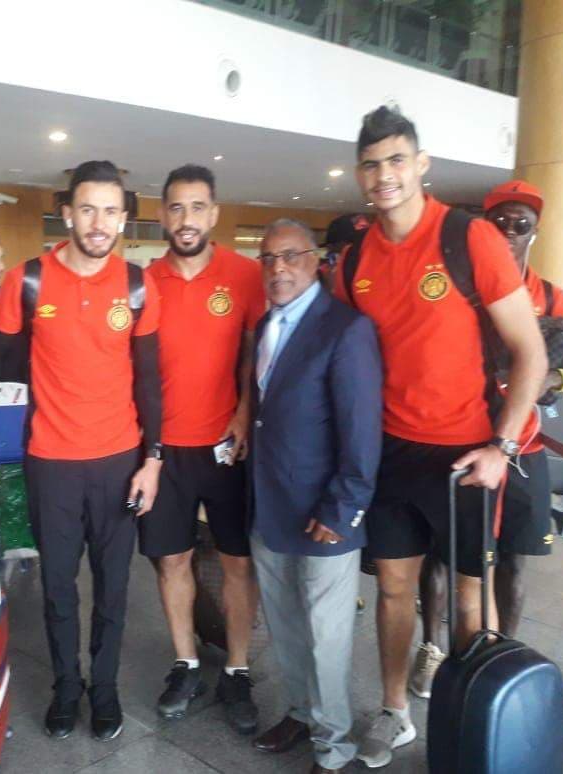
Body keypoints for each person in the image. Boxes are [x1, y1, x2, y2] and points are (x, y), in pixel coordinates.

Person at [331, 106, 547, 769]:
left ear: (421, 165)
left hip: (466, 456)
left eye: (397, 160)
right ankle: (394, 712)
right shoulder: (356, 258)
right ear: (360, 175)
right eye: (372, 164)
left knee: (468, 597)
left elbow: (531, 352)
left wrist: (502, 448)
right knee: (395, 589)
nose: (385, 175)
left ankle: (471, 720)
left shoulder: (467, 237)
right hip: (391, 453)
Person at [0, 161, 163, 743]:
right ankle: (66, 687)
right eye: (88, 209)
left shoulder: (138, 286)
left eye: (111, 212)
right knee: (58, 587)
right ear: (68, 213)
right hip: (51, 460)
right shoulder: (29, 280)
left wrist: (154, 459)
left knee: (114, 587)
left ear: (123, 218)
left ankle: (105, 688)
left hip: (121, 460)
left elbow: (149, 379)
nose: (99, 223)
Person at [411, 180, 563, 696]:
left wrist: (548, 379)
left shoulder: (550, 296)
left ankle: (503, 655)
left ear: (535, 232)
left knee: (512, 559)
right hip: (460, 441)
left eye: (520, 224)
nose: (508, 232)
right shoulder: (462, 286)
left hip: (522, 448)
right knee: (441, 554)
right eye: (498, 222)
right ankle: (431, 648)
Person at [249, 219, 382, 774]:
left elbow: (361, 429)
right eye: (268, 258)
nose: (277, 268)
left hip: (326, 511)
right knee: (284, 624)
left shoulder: (346, 329)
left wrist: (344, 507)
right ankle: (301, 712)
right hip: (270, 504)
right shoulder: (265, 325)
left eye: (290, 256)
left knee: (327, 635)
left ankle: (334, 745)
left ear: (317, 262)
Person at [140, 164, 265, 733]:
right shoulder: (145, 282)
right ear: (162, 215)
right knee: (172, 559)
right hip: (164, 450)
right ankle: (186, 663)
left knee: (238, 562)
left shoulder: (245, 275)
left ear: (213, 213)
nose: (186, 218)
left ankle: (237, 670)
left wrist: (243, 411)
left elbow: (258, 351)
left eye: (197, 207)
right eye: (176, 207)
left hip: (226, 446)